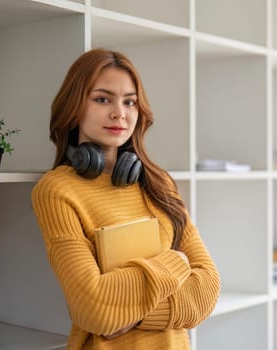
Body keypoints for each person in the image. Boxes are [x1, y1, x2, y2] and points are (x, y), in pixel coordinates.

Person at [31, 48, 220, 350]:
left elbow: (207, 292)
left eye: (129, 101)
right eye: (103, 99)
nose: (120, 113)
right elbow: (93, 308)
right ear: (74, 106)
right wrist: (177, 263)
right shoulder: (57, 190)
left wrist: (125, 313)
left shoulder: (160, 184)